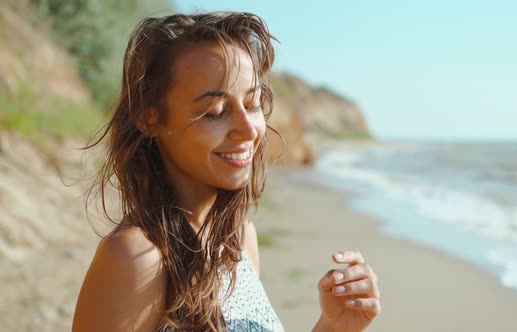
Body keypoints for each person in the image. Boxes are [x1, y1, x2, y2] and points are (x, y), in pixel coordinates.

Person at [72, 10, 381, 332]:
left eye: (253, 104)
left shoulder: (238, 238)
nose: (247, 130)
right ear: (151, 119)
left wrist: (333, 326)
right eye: (215, 112)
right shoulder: (137, 257)